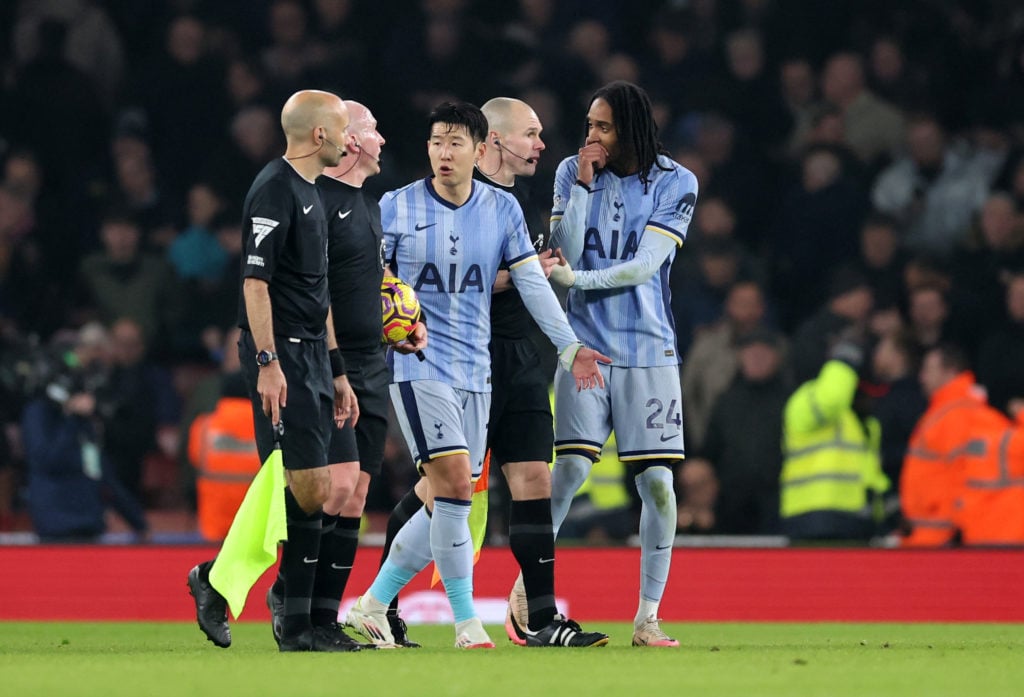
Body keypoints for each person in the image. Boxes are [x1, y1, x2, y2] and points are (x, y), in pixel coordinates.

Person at [345, 101, 609, 649]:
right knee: (457, 487)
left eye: (455, 143)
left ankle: (373, 603)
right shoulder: (396, 206)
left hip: (478, 368)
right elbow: (370, 276)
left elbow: (533, 283)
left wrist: (569, 347)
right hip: (420, 364)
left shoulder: (503, 210)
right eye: (436, 142)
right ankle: (467, 624)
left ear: (477, 148)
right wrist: (390, 316)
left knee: (449, 494)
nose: (444, 153)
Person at [187, 89, 360, 653]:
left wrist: (335, 368)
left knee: (310, 488)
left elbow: (318, 291)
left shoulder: (312, 193)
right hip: (279, 352)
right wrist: (267, 363)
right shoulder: (274, 190)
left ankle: (240, 591)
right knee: (305, 485)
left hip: (311, 352)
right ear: (318, 136)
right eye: (341, 128)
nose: (348, 138)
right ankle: (291, 621)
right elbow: (254, 283)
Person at [264, 100, 426, 648]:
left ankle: (325, 618)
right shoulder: (318, 200)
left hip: (374, 361)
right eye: (373, 129)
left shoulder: (368, 205)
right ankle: (296, 607)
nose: (382, 138)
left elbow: (369, 278)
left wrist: (403, 321)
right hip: (334, 365)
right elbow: (316, 289)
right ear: (350, 141)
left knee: (354, 496)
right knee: (329, 489)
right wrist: (332, 365)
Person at [543, 81, 699, 647]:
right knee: (569, 473)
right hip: (584, 347)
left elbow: (642, 267)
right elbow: (568, 249)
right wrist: (582, 188)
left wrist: (574, 282)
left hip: (647, 348)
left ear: (630, 128)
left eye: (603, 127)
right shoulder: (571, 171)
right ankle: (530, 595)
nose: (591, 136)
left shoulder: (677, 181)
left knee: (657, 482)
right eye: (588, 125)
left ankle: (647, 617)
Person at [472, 97, 606, 648]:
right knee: (444, 489)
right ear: (497, 140)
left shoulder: (513, 200)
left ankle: (541, 617)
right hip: (469, 358)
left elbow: (521, 277)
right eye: (531, 134)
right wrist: (521, 273)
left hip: (520, 354)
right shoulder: (461, 199)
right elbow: (447, 285)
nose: (541, 144)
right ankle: (375, 603)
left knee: (535, 481)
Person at [780, 331, 890, 541]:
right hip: (813, 517)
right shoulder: (804, 400)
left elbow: (869, 473)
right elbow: (832, 397)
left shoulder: (859, 417)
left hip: (856, 520)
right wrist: (844, 357)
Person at [899, 344, 1011, 547]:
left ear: (949, 372)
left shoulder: (954, 415)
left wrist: (958, 528)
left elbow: (962, 476)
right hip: (938, 535)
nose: (922, 378)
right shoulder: (961, 410)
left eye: (928, 370)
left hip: (940, 538)